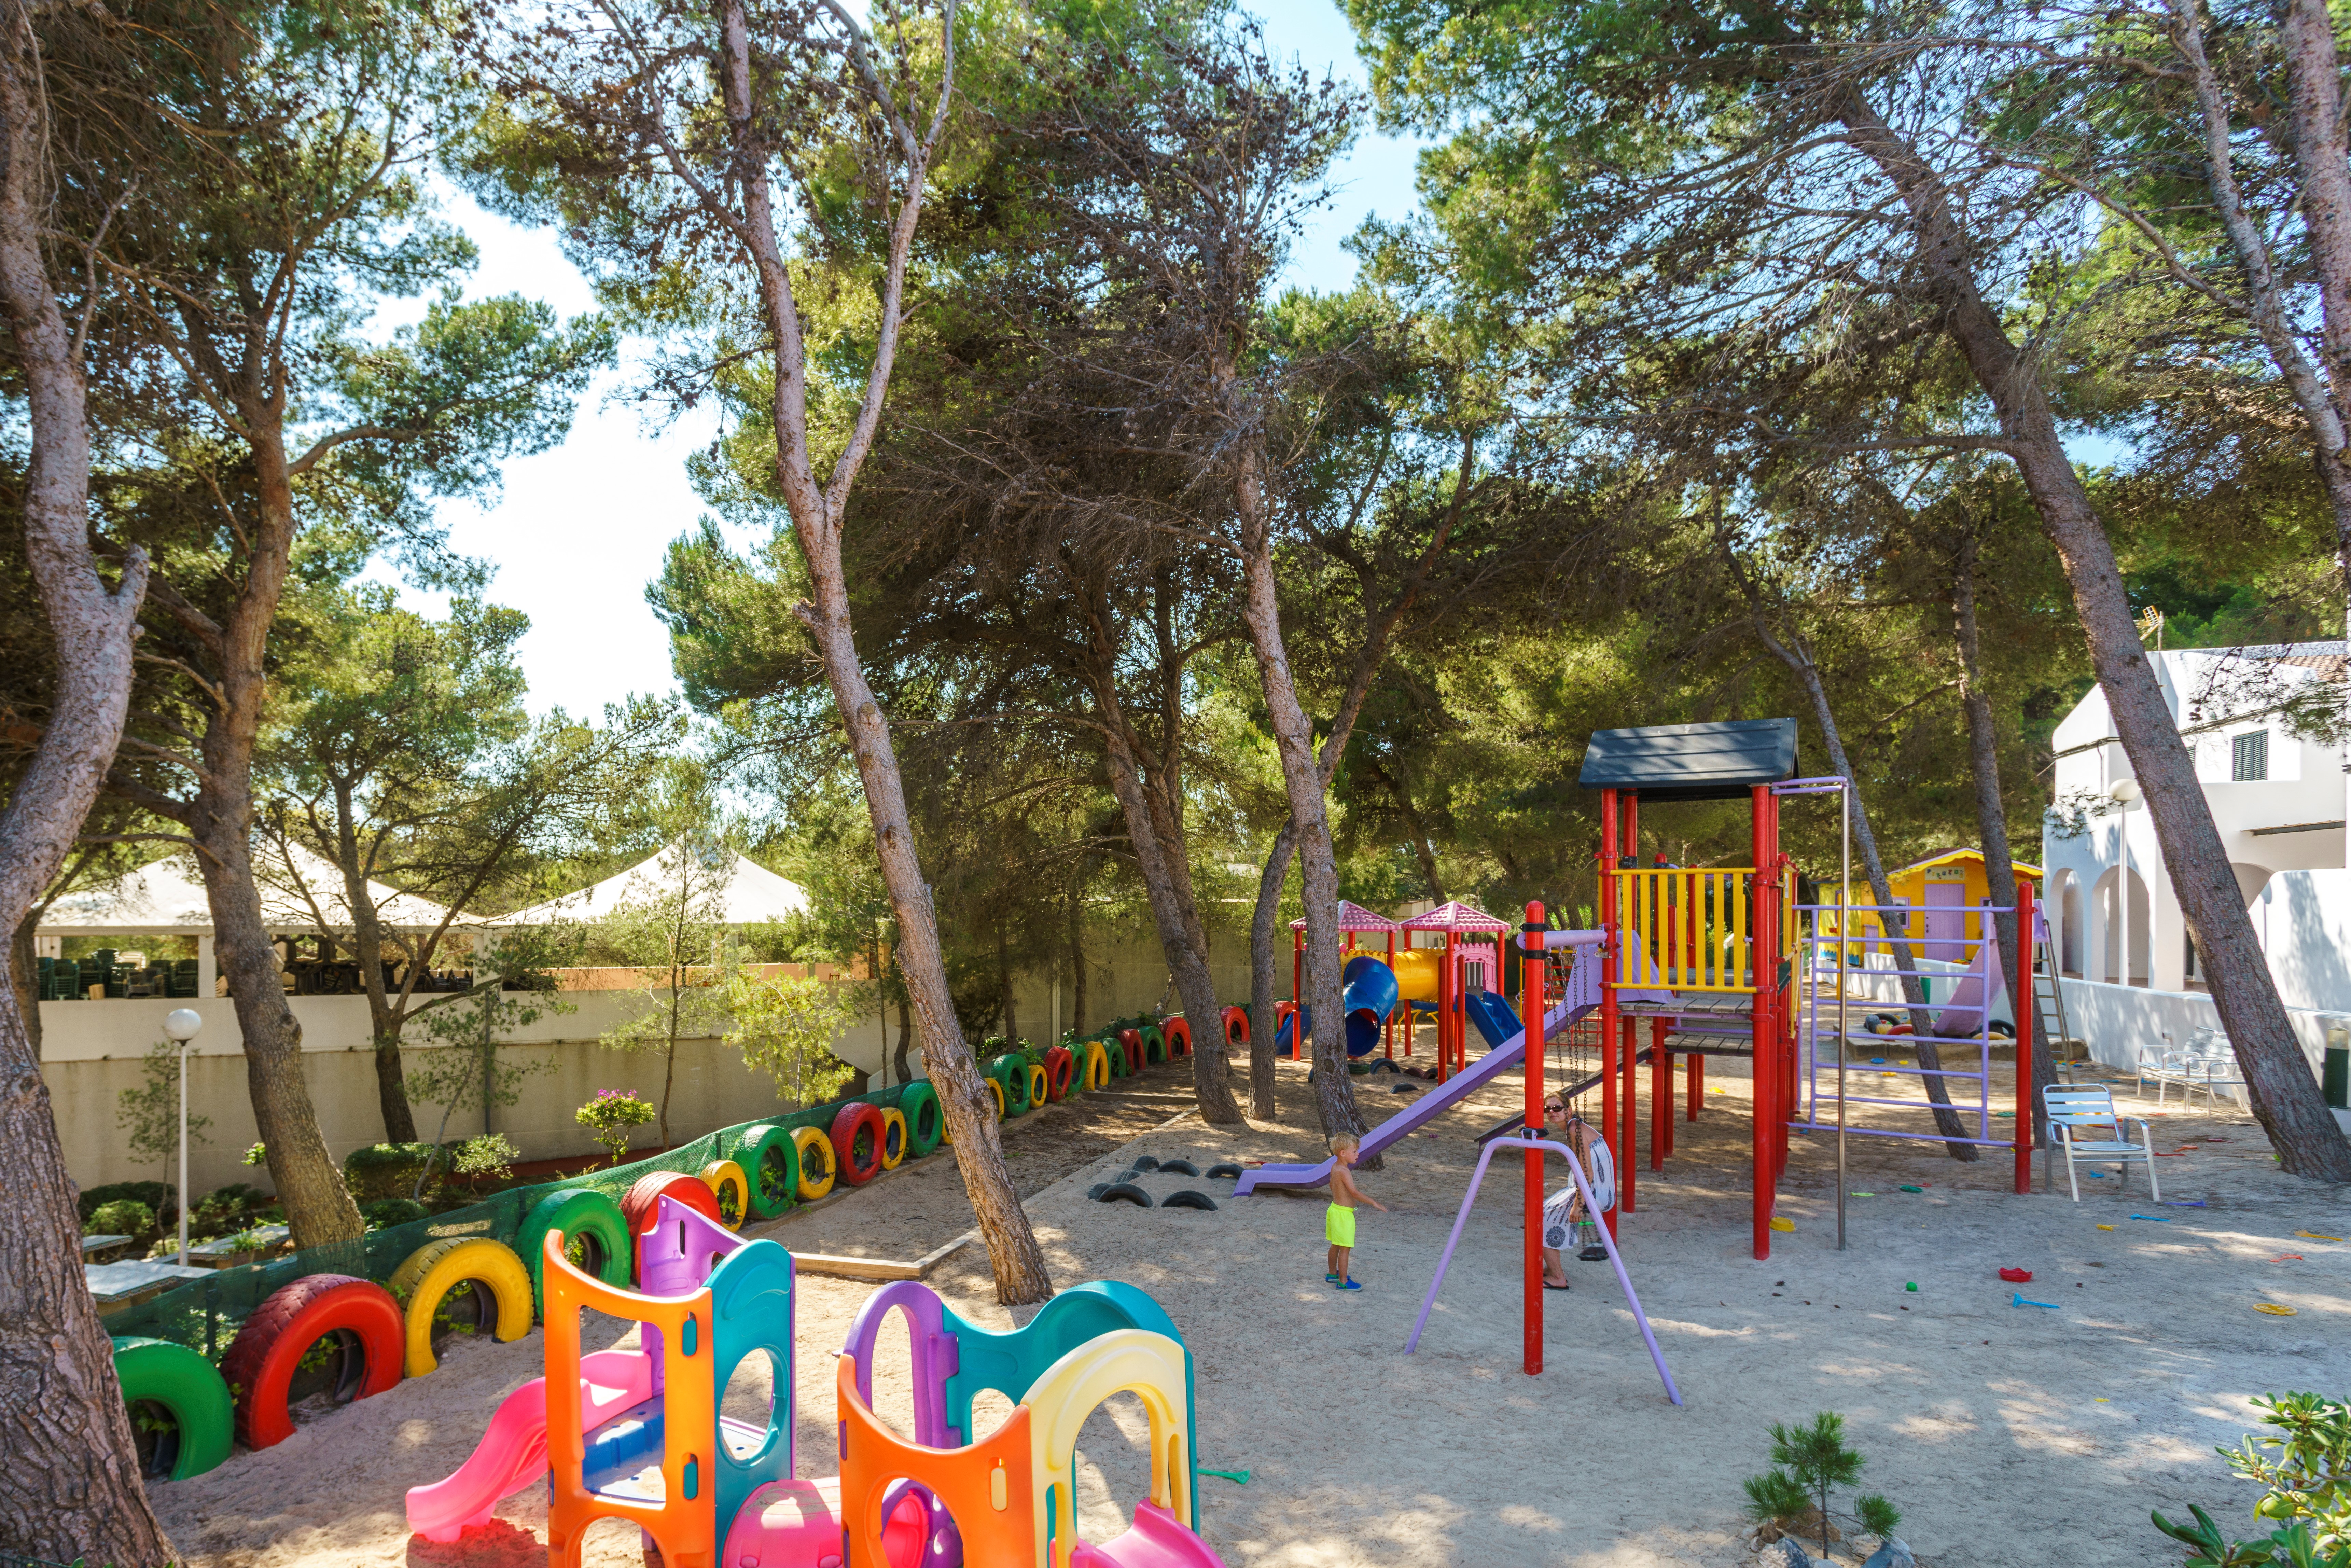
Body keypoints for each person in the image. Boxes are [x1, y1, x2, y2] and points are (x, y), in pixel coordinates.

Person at [1324, 1132, 1385, 1290]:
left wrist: (1340, 1197)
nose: (1358, 1154)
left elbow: (1331, 1185)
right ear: (1343, 1153)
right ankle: (1343, 1282)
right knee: (1345, 1248)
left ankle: (1332, 1273)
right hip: (1344, 1215)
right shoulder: (1344, 1171)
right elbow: (1354, 1193)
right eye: (1355, 1151)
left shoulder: (1335, 1167)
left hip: (1335, 1210)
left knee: (1336, 1245)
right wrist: (1373, 1202)